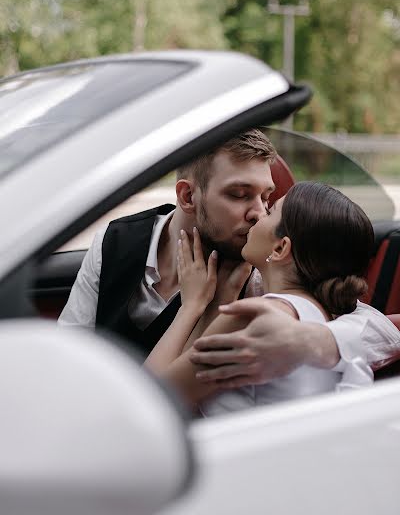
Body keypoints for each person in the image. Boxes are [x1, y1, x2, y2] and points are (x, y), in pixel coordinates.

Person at [58, 129, 400, 380]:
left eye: (267, 198)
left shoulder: (257, 272)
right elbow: (64, 357)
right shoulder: (114, 240)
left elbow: (379, 329)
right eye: (239, 194)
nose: (258, 214)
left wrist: (314, 340)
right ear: (188, 196)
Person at [144, 182, 377, 412]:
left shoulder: (254, 318)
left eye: (271, 210)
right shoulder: (322, 314)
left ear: (279, 249)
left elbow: (149, 398)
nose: (258, 215)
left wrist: (191, 306)